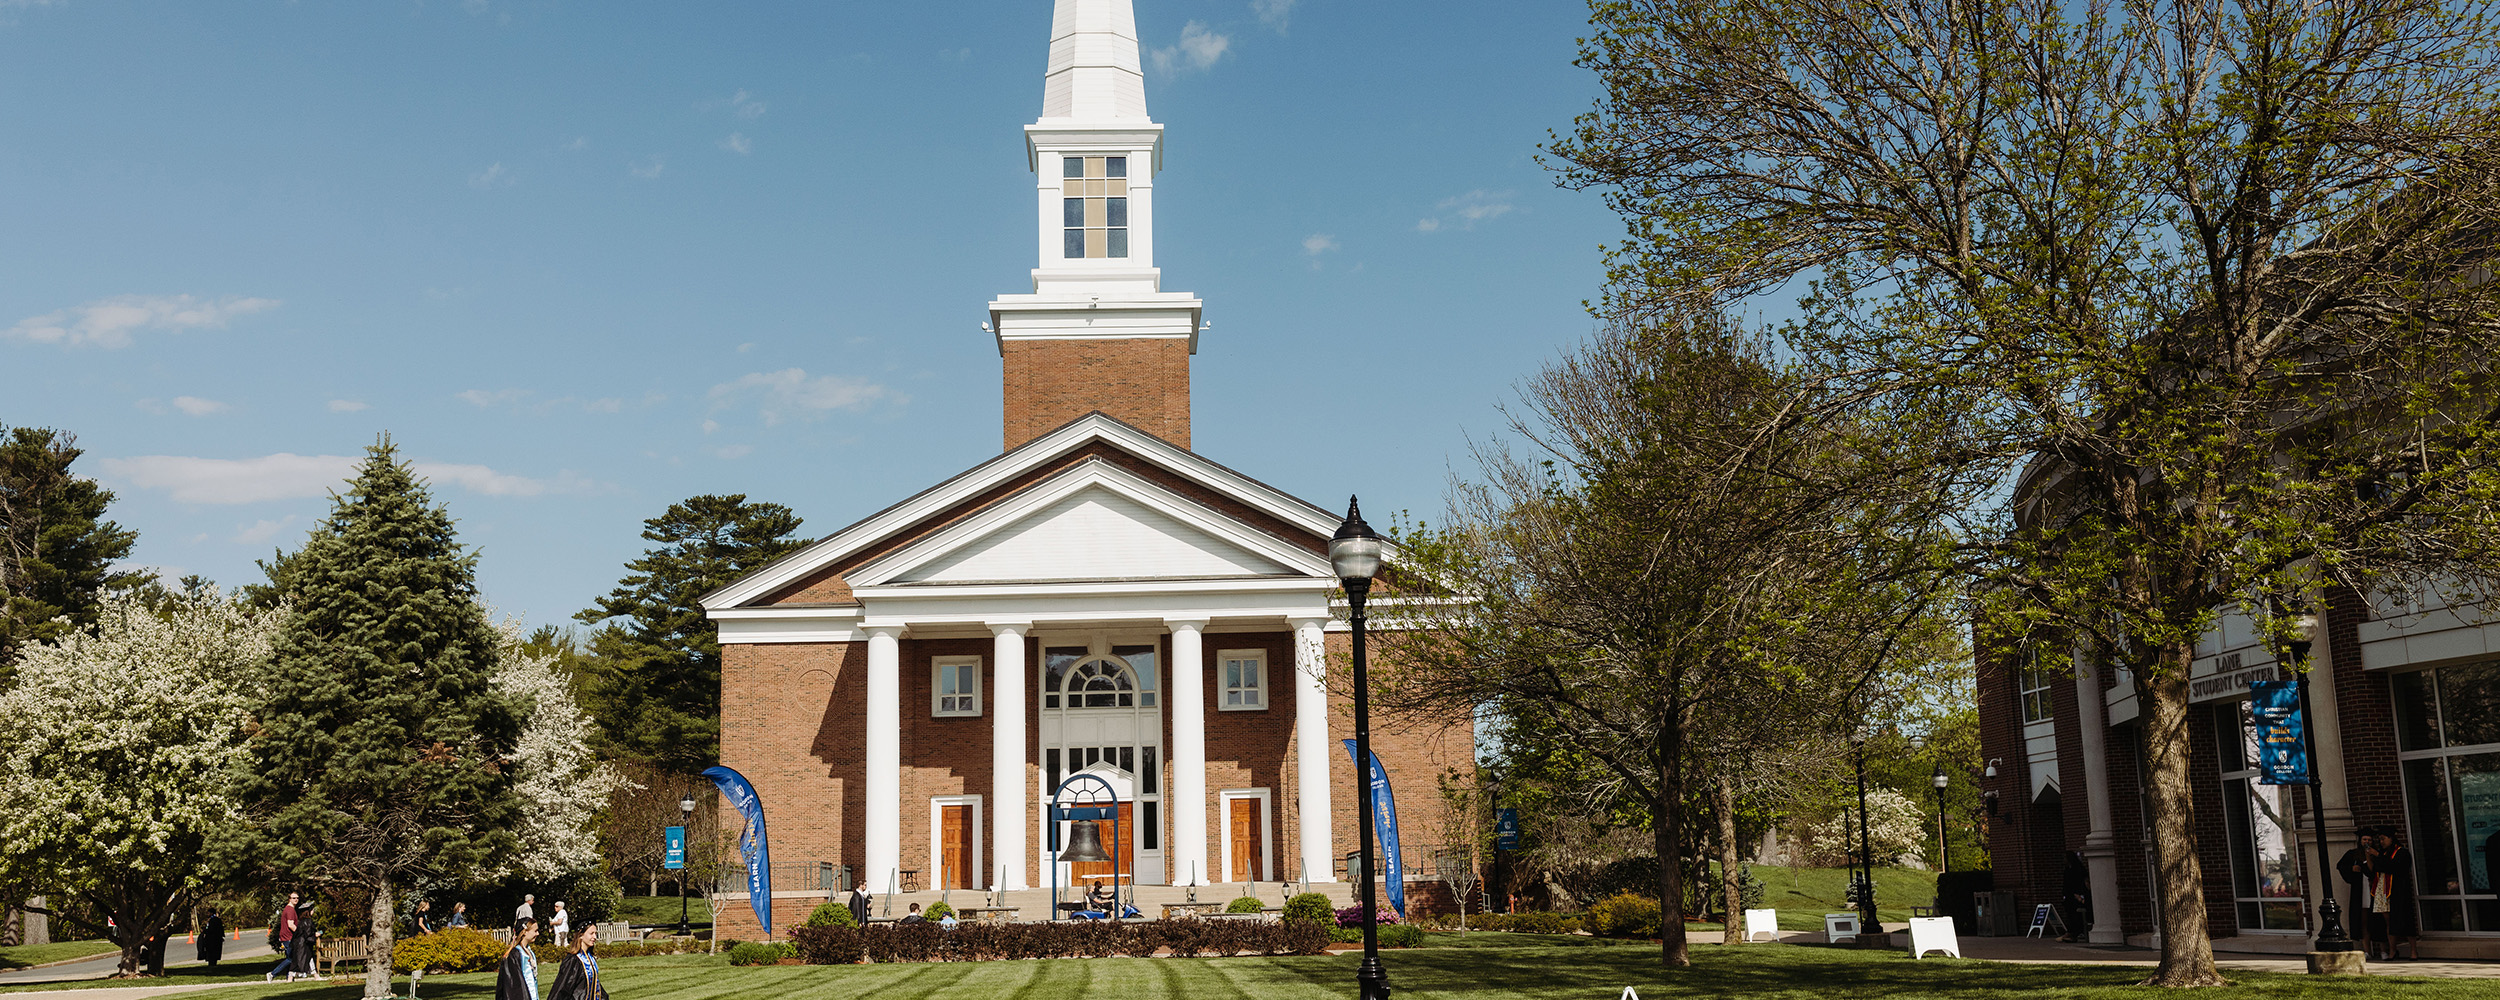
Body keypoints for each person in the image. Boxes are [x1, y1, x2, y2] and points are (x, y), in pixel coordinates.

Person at [2370, 827, 2421, 960]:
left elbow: (2394, 868)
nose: (2381, 842)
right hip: (2383, 891)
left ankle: (2413, 951)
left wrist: (2379, 857)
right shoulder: (2383, 854)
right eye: (2380, 839)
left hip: (2399, 891)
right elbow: (2377, 868)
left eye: (2383, 839)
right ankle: (2392, 951)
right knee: (2389, 922)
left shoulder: (2401, 853)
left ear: (2391, 838)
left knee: (2406, 920)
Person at [2336, 828, 2376, 956]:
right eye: (2365, 839)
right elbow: (2340, 866)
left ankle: (2384, 950)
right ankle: (2367, 951)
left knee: (2377, 920)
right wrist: (2351, 868)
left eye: (2369, 839)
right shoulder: (2353, 854)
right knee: (2363, 921)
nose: (2367, 842)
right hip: (2360, 890)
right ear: (2360, 840)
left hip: (2374, 889)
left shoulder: (2376, 853)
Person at [545, 924, 606, 1000]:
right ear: (581, 935)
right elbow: (562, 988)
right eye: (591, 933)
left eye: (595, 933)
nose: (595, 937)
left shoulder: (590, 957)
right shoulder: (573, 960)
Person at [495, 918, 540, 1000]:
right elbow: (513, 985)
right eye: (535, 931)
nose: (538, 934)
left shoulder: (529, 952)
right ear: (525, 932)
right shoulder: (516, 954)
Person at [266, 892, 303, 982]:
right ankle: (272, 974)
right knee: (291, 959)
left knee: (292, 958)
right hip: (288, 937)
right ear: (289, 899)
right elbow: (291, 925)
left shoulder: (290, 909)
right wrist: (300, 933)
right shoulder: (290, 910)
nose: (296, 899)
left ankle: (289, 977)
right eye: (294, 898)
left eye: (297, 898)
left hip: (287, 937)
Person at [2058, 851, 2090, 941]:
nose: (2064, 860)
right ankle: (2071, 932)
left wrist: (2078, 894)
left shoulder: (2077, 869)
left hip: (2076, 895)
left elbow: (2079, 882)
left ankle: (2074, 933)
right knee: (2070, 914)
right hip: (2069, 896)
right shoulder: (2068, 869)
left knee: (2075, 915)